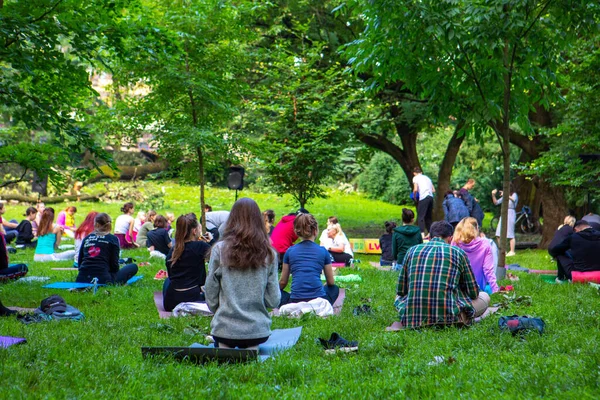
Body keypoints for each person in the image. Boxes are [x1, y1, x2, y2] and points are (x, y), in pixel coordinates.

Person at [205, 198, 280, 349]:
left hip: (224, 329)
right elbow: (273, 300)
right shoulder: (269, 253)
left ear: (231, 220)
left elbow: (211, 292)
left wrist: (220, 310)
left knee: (225, 361)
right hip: (257, 331)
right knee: (251, 360)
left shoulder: (219, 249)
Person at [395, 221, 490, 329]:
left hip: (413, 318)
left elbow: (401, 291)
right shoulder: (458, 253)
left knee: (397, 297)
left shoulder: (411, 251)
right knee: (485, 297)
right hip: (450, 318)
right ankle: (460, 316)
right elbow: (473, 293)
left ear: (429, 237)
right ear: (450, 238)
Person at [279, 213, 339, 306]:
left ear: (296, 231)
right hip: (318, 299)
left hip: (295, 300)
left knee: (278, 295)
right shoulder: (323, 251)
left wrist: (274, 293)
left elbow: (283, 282)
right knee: (334, 289)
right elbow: (330, 282)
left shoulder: (289, 251)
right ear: (315, 231)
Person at [163, 214, 211, 311]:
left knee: (168, 280)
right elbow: (218, 258)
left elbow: (171, 274)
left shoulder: (173, 250)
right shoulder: (201, 246)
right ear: (194, 231)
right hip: (193, 298)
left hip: (170, 301)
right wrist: (211, 242)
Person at [76, 213, 138, 285]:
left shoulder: (87, 238)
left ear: (96, 224)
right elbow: (114, 266)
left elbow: (80, 261)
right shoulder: (113, 239)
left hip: (82, 278)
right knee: (133, 266)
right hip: (104, 279)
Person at [452, 218, 498, 294]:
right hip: (477, 291)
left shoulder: (455, 242)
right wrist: (496, 290)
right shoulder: (485, 244)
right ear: (476, 228)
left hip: (458, 291)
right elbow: (488, 270)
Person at [492, 184, 518, 257]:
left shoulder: (514, 194)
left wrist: (505, 195)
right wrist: (493, 195)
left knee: (510, 233)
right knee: (498, 234)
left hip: (511, 213)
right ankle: (503, 250)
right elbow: (496, 202)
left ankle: (512, 251)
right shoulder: (504, 196)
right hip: (504, 214)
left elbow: (514, 199)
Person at [547, 215, 575, 282]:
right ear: (572, 222)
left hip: (551, 248)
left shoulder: (560, 227)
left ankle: (560, 277)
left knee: (561, 260)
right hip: (558, 248)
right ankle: (570, 278)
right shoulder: (570, 229)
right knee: (568, 261)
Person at [412, 167, 435, 237]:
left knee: (420, 216)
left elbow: (415, 189)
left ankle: (422, 234)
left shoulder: (415, 178)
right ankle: (430, 233)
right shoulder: (428, 178)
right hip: (430, 197)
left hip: (424, 197)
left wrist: (415, 196)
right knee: (428, 217)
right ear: (421, 172)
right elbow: (433, 190)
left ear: (414, 173)